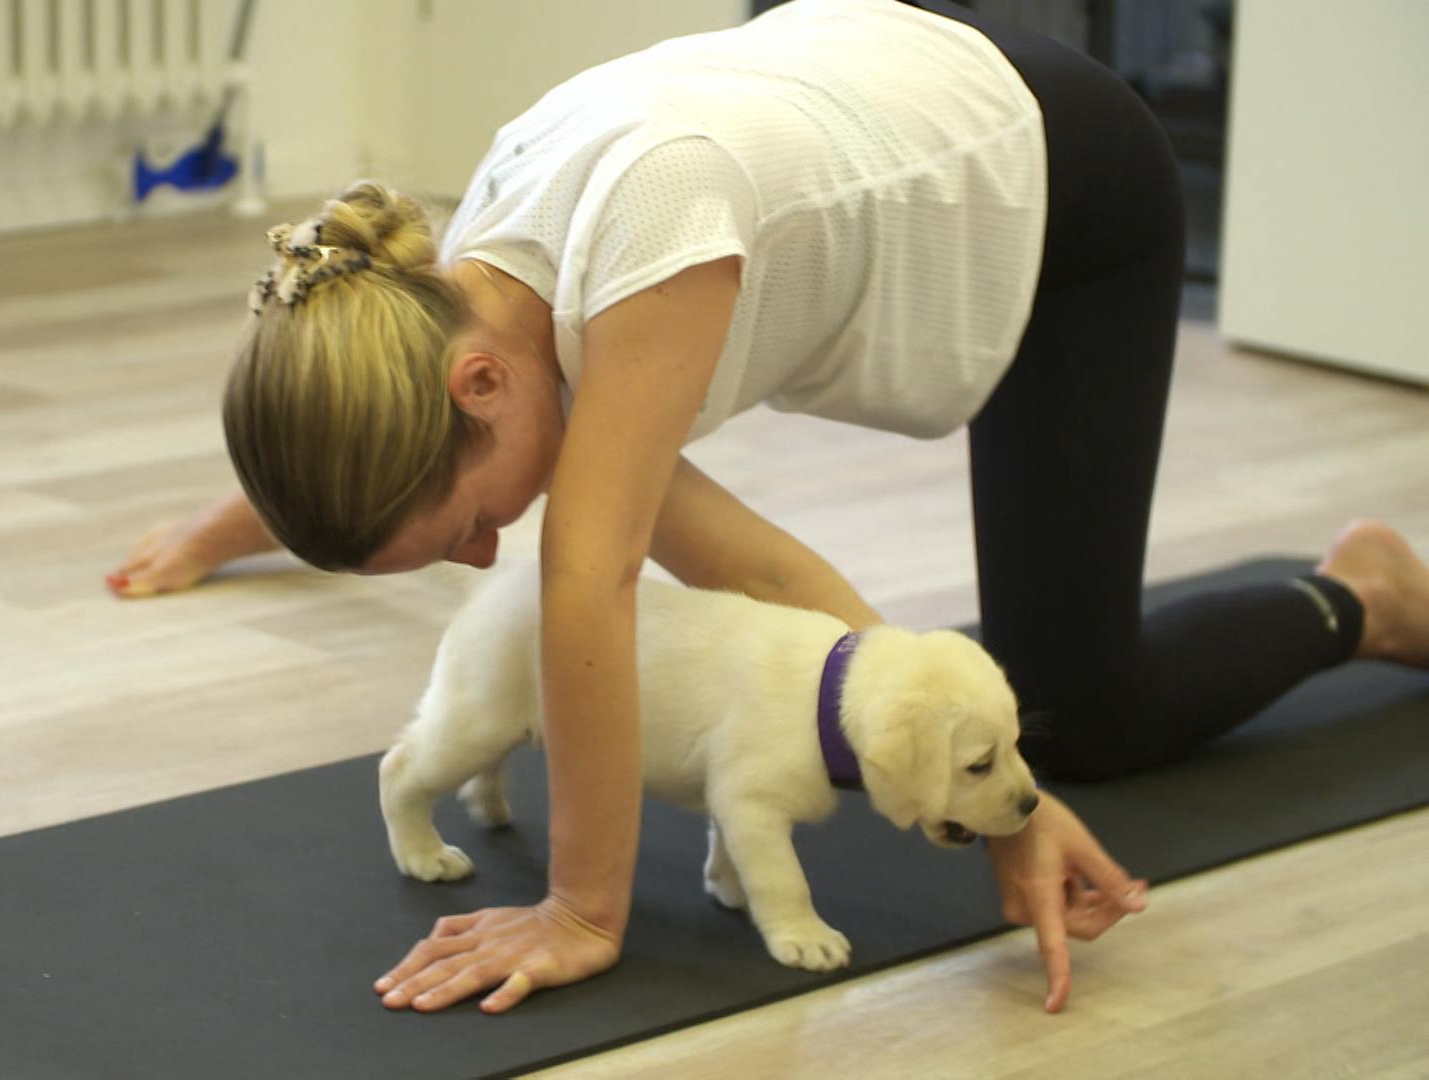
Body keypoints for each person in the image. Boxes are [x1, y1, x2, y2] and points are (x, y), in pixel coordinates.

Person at [106, 0, 1429, 1015]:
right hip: (903, 74)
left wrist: (582, 909)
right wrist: (259, 514)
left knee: (1084, 719)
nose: (485, 551)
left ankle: (1366, 599)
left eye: (462, 526)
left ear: (484, 383)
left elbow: (591, 583)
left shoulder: (648, 246)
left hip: (1061, 187)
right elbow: (760, 570)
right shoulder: (439, 313)